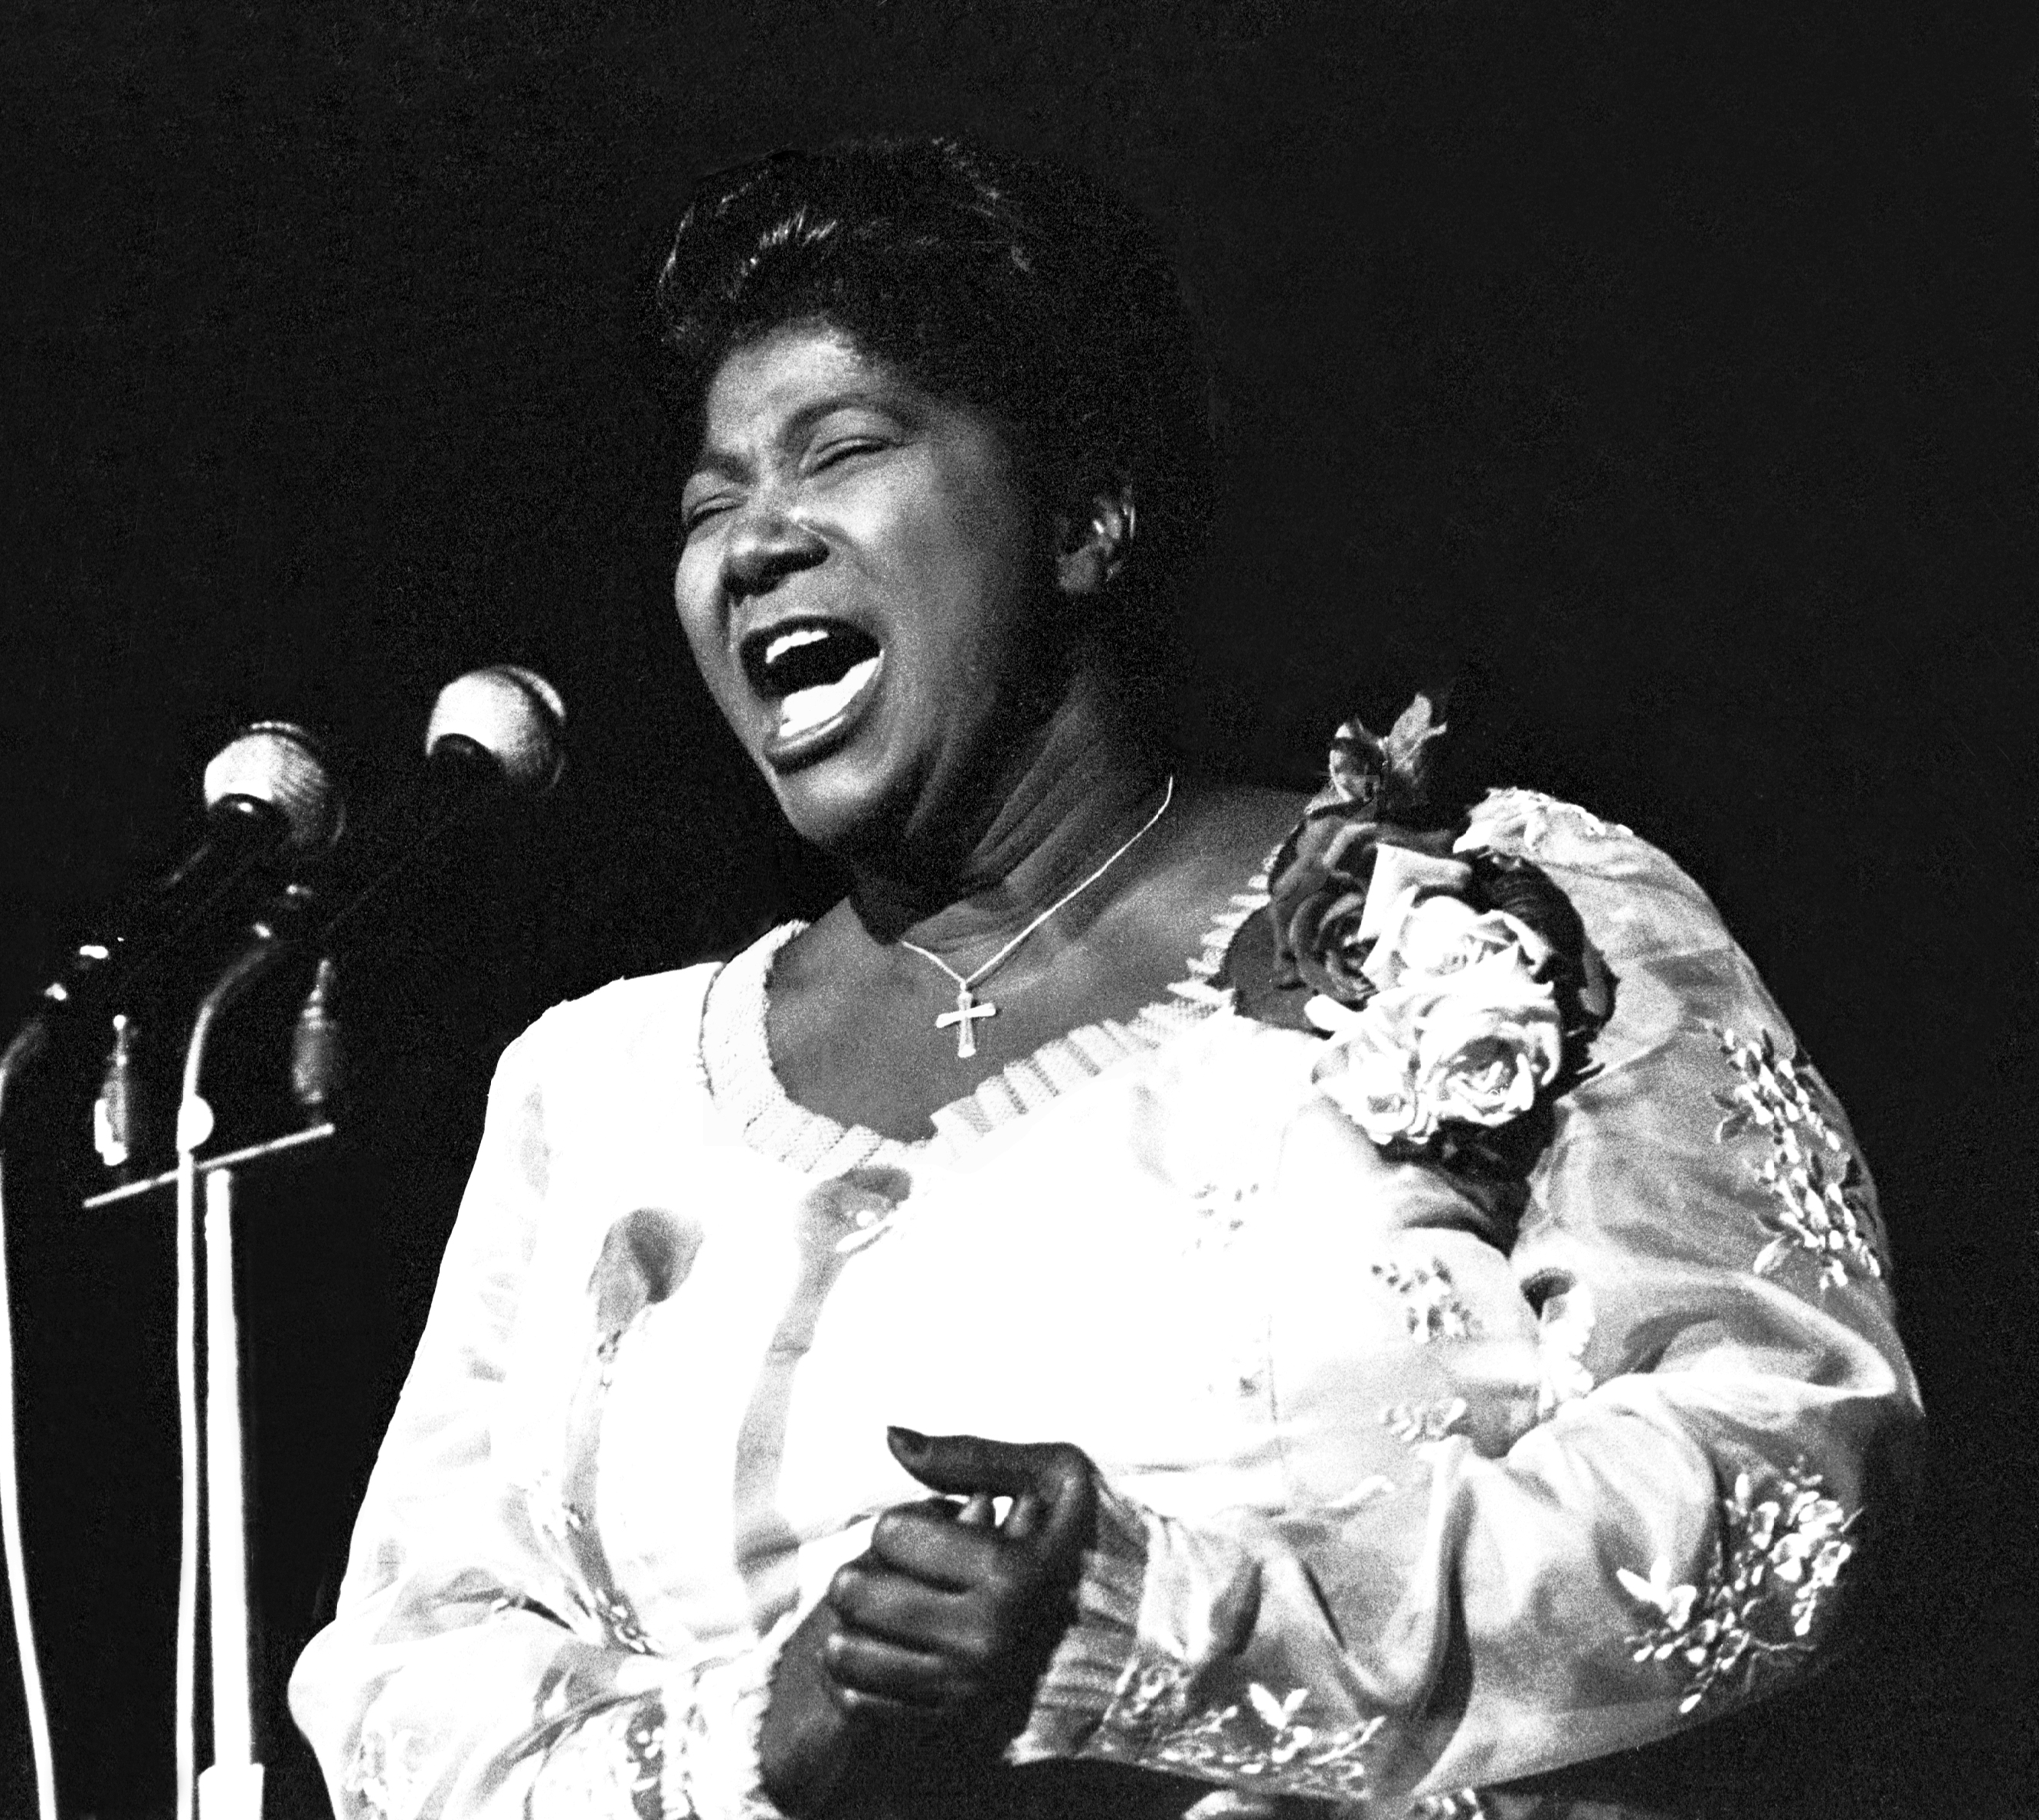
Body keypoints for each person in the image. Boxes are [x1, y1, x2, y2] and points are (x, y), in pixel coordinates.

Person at [287, 138, 1919, 1820]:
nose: (754, 543)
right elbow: (414, 1698)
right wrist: (768, 1736)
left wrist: (1164, 1623)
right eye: (711, 504)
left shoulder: (1497, 903)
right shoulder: (603, 1093)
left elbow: (1784, 1466)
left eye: (837, 452)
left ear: (1084, 513)